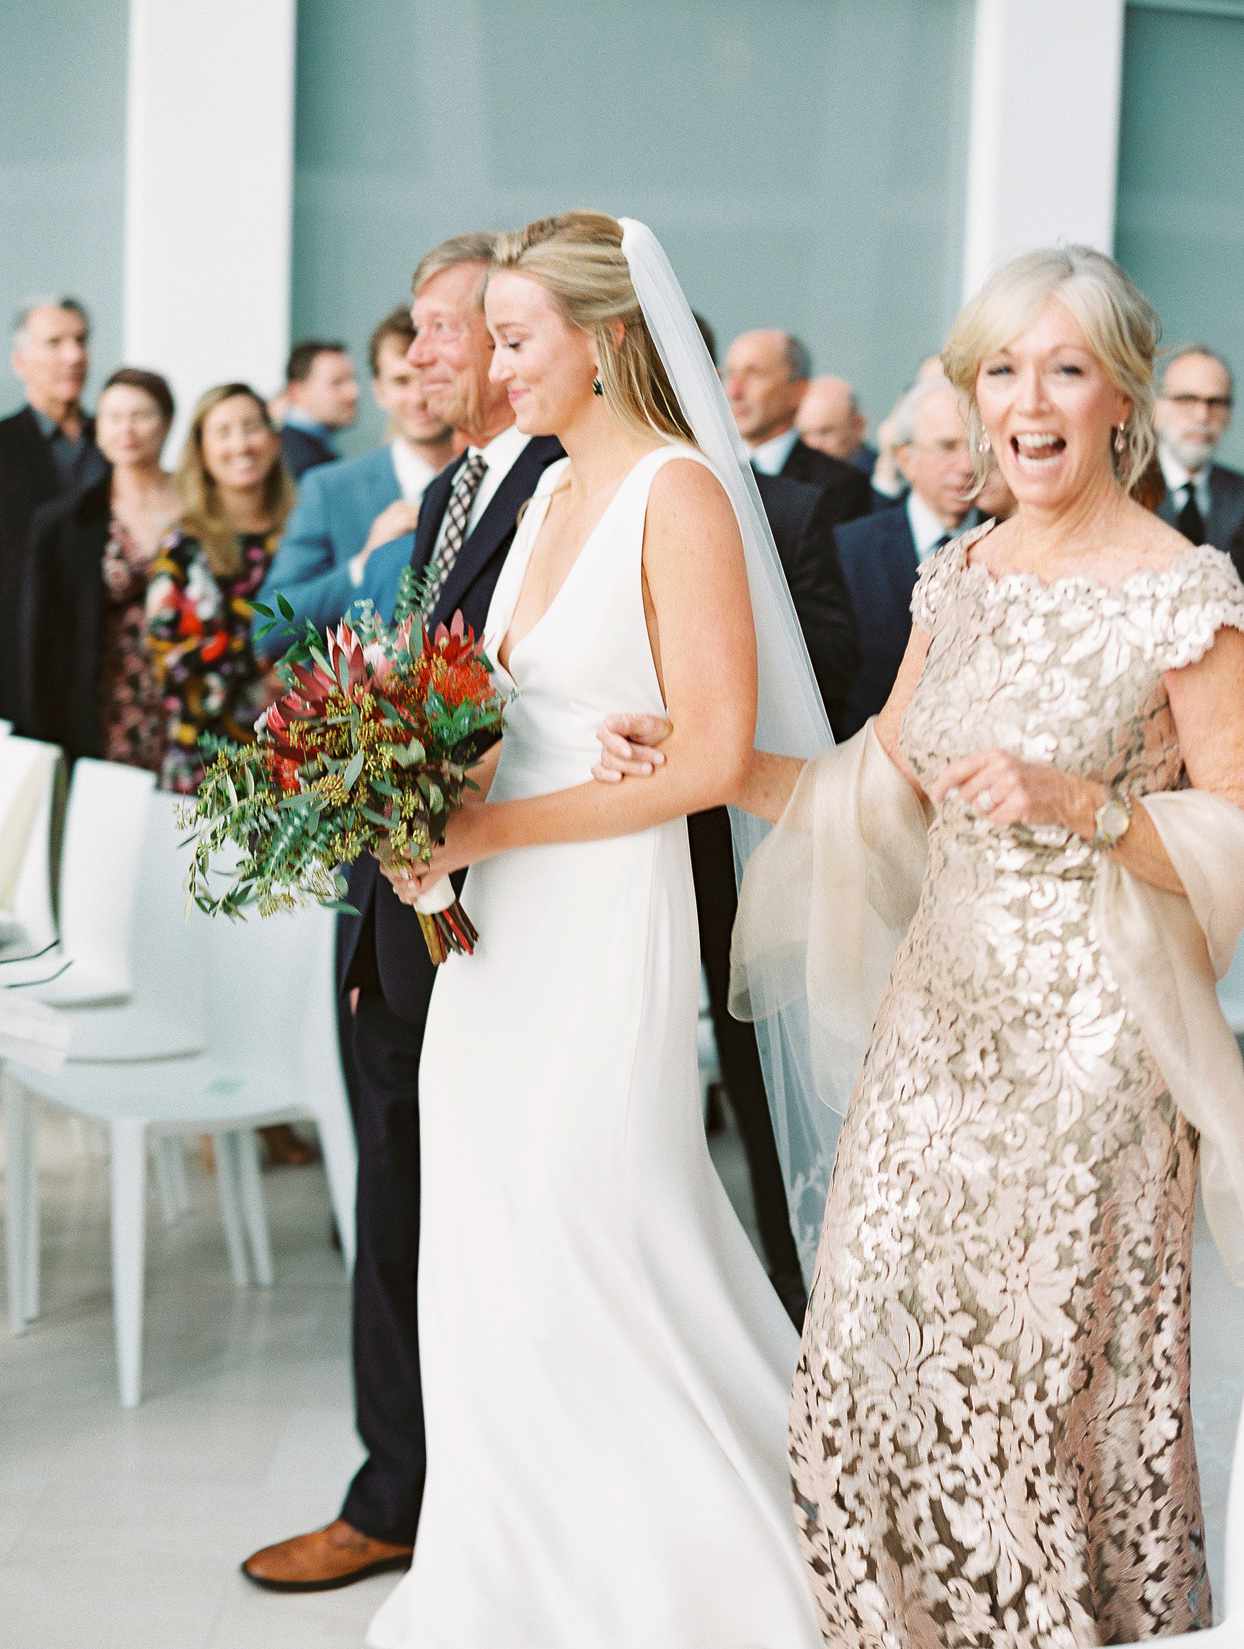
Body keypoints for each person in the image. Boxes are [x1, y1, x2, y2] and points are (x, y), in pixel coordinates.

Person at [603, 244, 1244, 1646]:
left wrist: (1087, 804)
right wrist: (714, 764)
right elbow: (869, 790)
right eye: (1001, 369)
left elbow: (1240, 831)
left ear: (1122, 398)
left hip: (1096, 1056)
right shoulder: (957, 578)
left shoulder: (1186, 591)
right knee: (848, 1386)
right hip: (936, 1033)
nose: (1029, 399)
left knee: (1027, 1411)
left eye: (1065, 367)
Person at [364, 211, 822, 1648]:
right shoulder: (552, 489)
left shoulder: (677, 492)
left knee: (603, 1232)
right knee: (492, 1244)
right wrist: (403, 792)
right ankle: (517, 1570)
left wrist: (484, 830)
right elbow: (516, 713)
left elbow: (704, 760)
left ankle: (695, 1568)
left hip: (604, 920)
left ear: (607, 338)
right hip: (497, 932)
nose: (493, 370)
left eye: (515, 339)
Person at [240, 233, 564, 1597]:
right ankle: (403, 1479)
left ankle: (421, 1490)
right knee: (393, 1189)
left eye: (449, 329)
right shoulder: (443, 499)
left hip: (490, 898)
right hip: (391, 886)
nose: (424, 356)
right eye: (428, 331)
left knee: (458, 1199)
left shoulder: (556, 488)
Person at [255, 308, 456, 648]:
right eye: (401, 381)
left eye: (431, 377)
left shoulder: (493, 480)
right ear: (378, 391)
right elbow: (269, 627)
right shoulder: (330, 489)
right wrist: (362, 565)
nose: (419, 398)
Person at [19, 368, 180, 767]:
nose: (127, 429)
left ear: (167, 422)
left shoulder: (200, 509)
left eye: (141, 415)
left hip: (191, 706)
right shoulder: (66, 521)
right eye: (113, 417)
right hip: (105, 710)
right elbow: (41, 639)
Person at [146, 383, 293, 793]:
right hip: (208, 769)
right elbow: (170, 663)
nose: (241, 444)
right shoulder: (183, 546)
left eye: (251, 427)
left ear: (274, 436)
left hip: (306, 765)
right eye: (223, 431)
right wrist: (261, 673)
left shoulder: (307, 530)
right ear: (202, 450)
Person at [834, 376, 978, 736]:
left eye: (977, 446)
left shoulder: (1016, 542)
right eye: (947, 447)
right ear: (906, 458)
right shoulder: (850, 549)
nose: (966, 465)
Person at [0, 297, 104, 721]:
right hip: (17, 663)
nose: (74, 355)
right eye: (55, 342)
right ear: (20, 361)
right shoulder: (4, 446)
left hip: (101, 666)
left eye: (80, 340)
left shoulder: (115, 442)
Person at [724, 328, 871, 522]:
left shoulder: (840, 486)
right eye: (729, 374)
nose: (735, 391)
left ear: (798, 390)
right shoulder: (707, 467)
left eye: (754, 374)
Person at [1154, 344, 1244, 548]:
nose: (1202, 416)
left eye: (1216, 402)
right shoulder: (1124, 490)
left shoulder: (1240, 495)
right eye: (1187, 399)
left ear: (1229, 414)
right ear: (1155, 408)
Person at [277, 339, 360, 478]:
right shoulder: (305, 465)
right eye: (337, 382)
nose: (354, 392)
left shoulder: (304, 451)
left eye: (353, 379)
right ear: (297, 392)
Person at [796, 373, 876, 473]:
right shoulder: (794, 476)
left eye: (825, 432)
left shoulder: (883, 481)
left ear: (858, 426)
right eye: (804, 434)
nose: (813, 444)